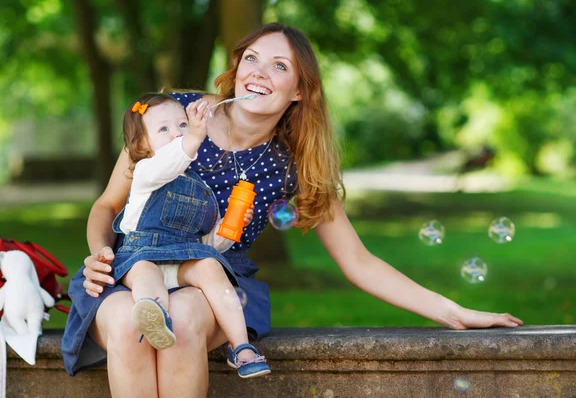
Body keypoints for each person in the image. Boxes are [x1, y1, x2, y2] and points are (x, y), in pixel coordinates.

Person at [62, 22, 523, 397]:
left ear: (299, 91)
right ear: (237, 68)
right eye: (252, 58)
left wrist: (453, 313)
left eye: (279, 66)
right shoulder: (175, 117)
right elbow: (107, 204)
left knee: (179, 321)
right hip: (132, 265)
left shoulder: (294, 166)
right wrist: (100, 254)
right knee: (127, 322)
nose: (259, 71)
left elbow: (358, 261)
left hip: (214, 280)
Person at [102, 92, 270, 377]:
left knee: (210, 265)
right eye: (163, 129)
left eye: (181, 125)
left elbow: (208, 243)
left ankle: (241, 348)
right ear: (143, 144)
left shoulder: (201, 188)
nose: (177, 133)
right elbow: (171, 161)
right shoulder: (145, 171)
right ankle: (155, 317)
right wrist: (193, 136)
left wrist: (231, 226)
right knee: (145, 273)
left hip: (184, 257)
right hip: (143, 255)